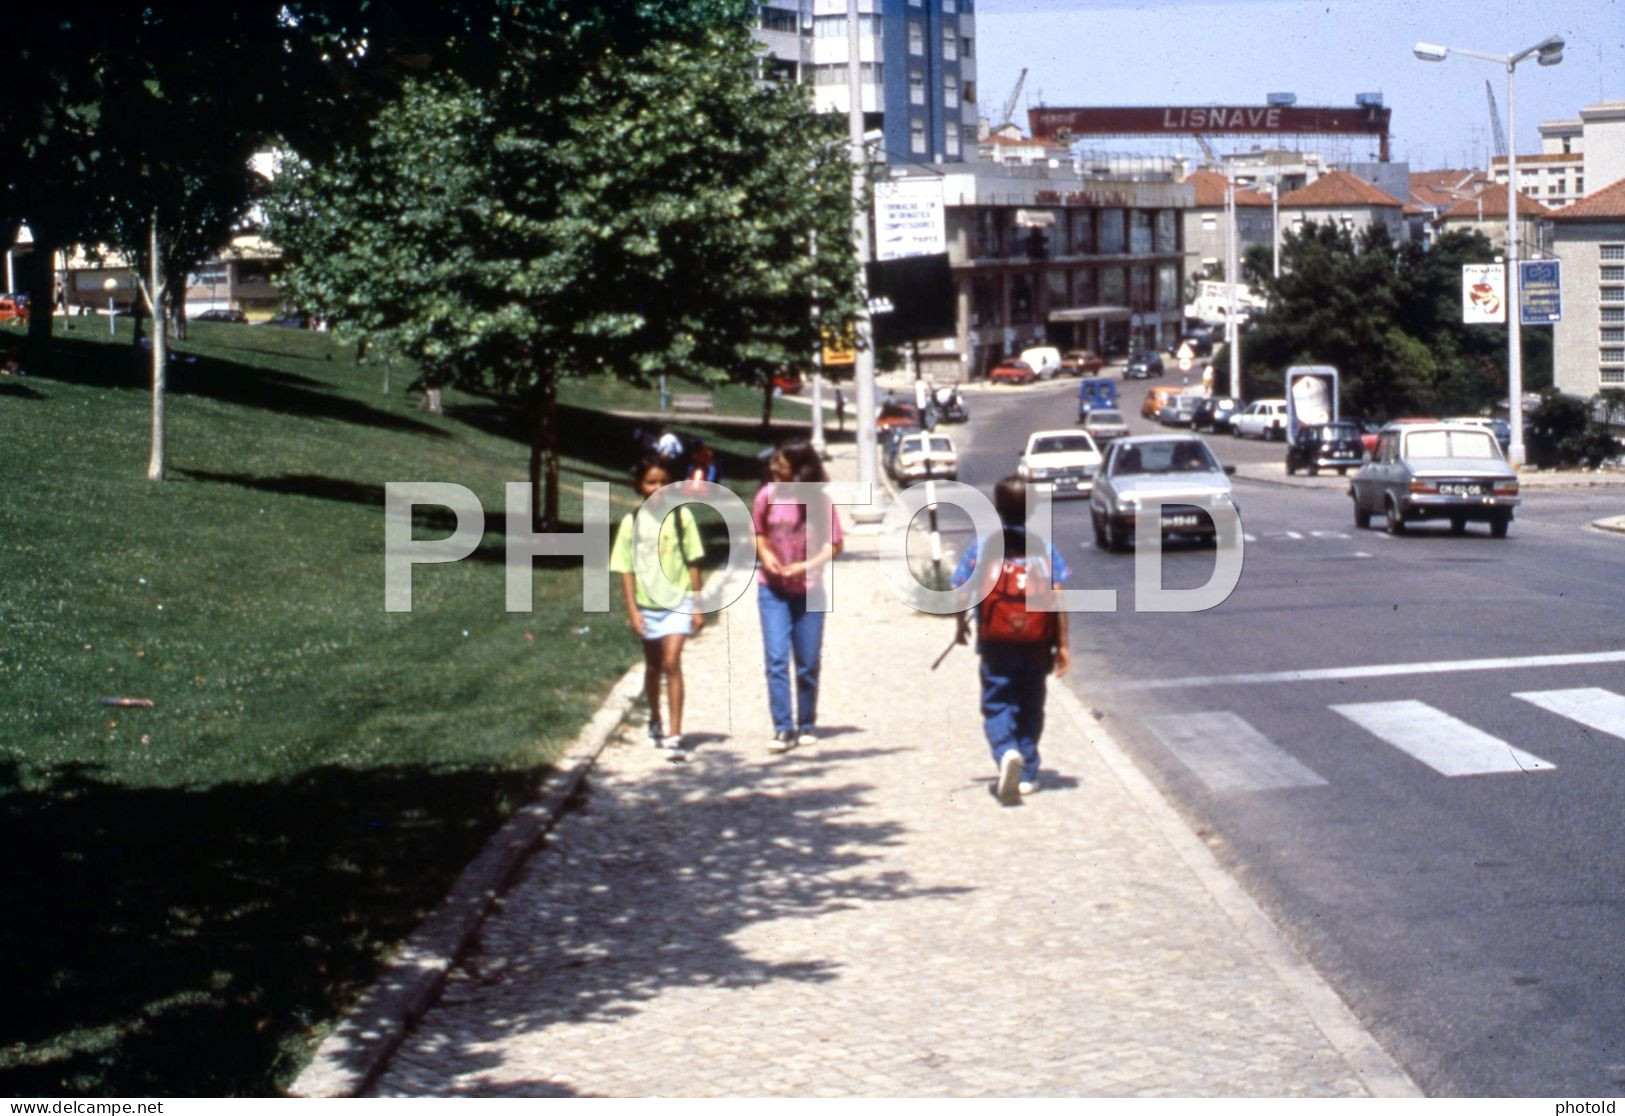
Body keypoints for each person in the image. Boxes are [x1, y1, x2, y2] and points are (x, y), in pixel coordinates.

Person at [953, 476, 1072, 805]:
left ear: (998, 509)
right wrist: (1063, 645)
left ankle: (1006, 752)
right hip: (1036, 643)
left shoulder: (982, 546)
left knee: (997, 702)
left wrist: (960, 627)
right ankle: (1029, 773)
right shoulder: (1044, 549)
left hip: (995, 642)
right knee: (1031, 705)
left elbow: (962, 592)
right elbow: (1058, 597)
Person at [754, 437, 843, 753]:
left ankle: (807, 722)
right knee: (776, 658)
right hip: (773, 589)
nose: (776, 477)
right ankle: (782, 727)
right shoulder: (766, 496)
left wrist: (805, 566)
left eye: (783, 472)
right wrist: (766, 558)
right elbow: (759, 534)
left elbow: (835, 545)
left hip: (810, 591)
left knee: (807, 661)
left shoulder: (819, 502)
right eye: (775, 471)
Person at [610, 456, 705, 750]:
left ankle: (675, 731)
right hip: (647, 606)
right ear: (640, 485)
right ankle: (655, 717)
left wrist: (698, 604)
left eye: (664, 482)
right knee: (653, 666)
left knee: (671, 661)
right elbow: (625, 568)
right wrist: (632, 610)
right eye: (651, 482)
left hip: (678, 603)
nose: (658, 488)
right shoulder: (631, 523)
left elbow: (693, 563)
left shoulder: (681, 517)